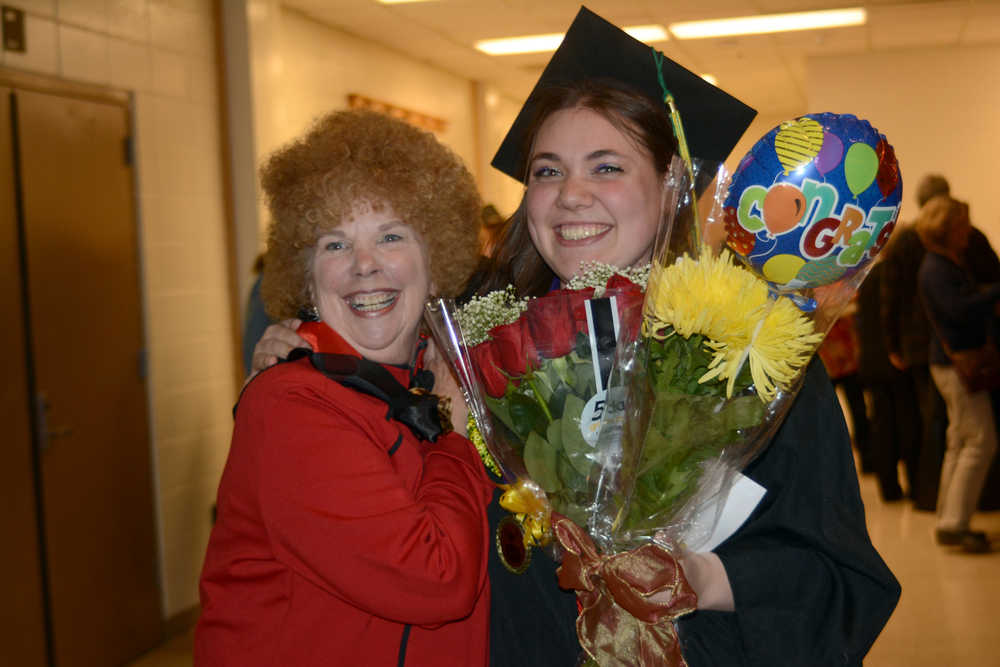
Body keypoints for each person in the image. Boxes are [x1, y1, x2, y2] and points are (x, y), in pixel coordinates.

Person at [251, 8, 900, 665]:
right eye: (547, 170)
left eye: (607, 168)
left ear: (672, 180)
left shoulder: (754, 355)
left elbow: (837, 578)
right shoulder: (469, 339)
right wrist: (306, 352)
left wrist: (696, 578)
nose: (570, 195)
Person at [196, 110, 494, 665]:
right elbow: (435, 580)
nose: (364, 265)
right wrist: (454, 435)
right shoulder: (292, 403)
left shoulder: (438, 373)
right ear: (306, 277)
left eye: (390, 236)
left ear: (436, 261)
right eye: (334, 245)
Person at [916, 194, 1000, 554]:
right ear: (946, 228)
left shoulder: (944, 263)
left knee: (960, 440)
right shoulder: (937, 267)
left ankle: (948, 519)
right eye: (961, 224)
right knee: (981, 441)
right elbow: (957, 310)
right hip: (956, 363)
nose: (967, 230)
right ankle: (955, 523)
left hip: (951, 362)